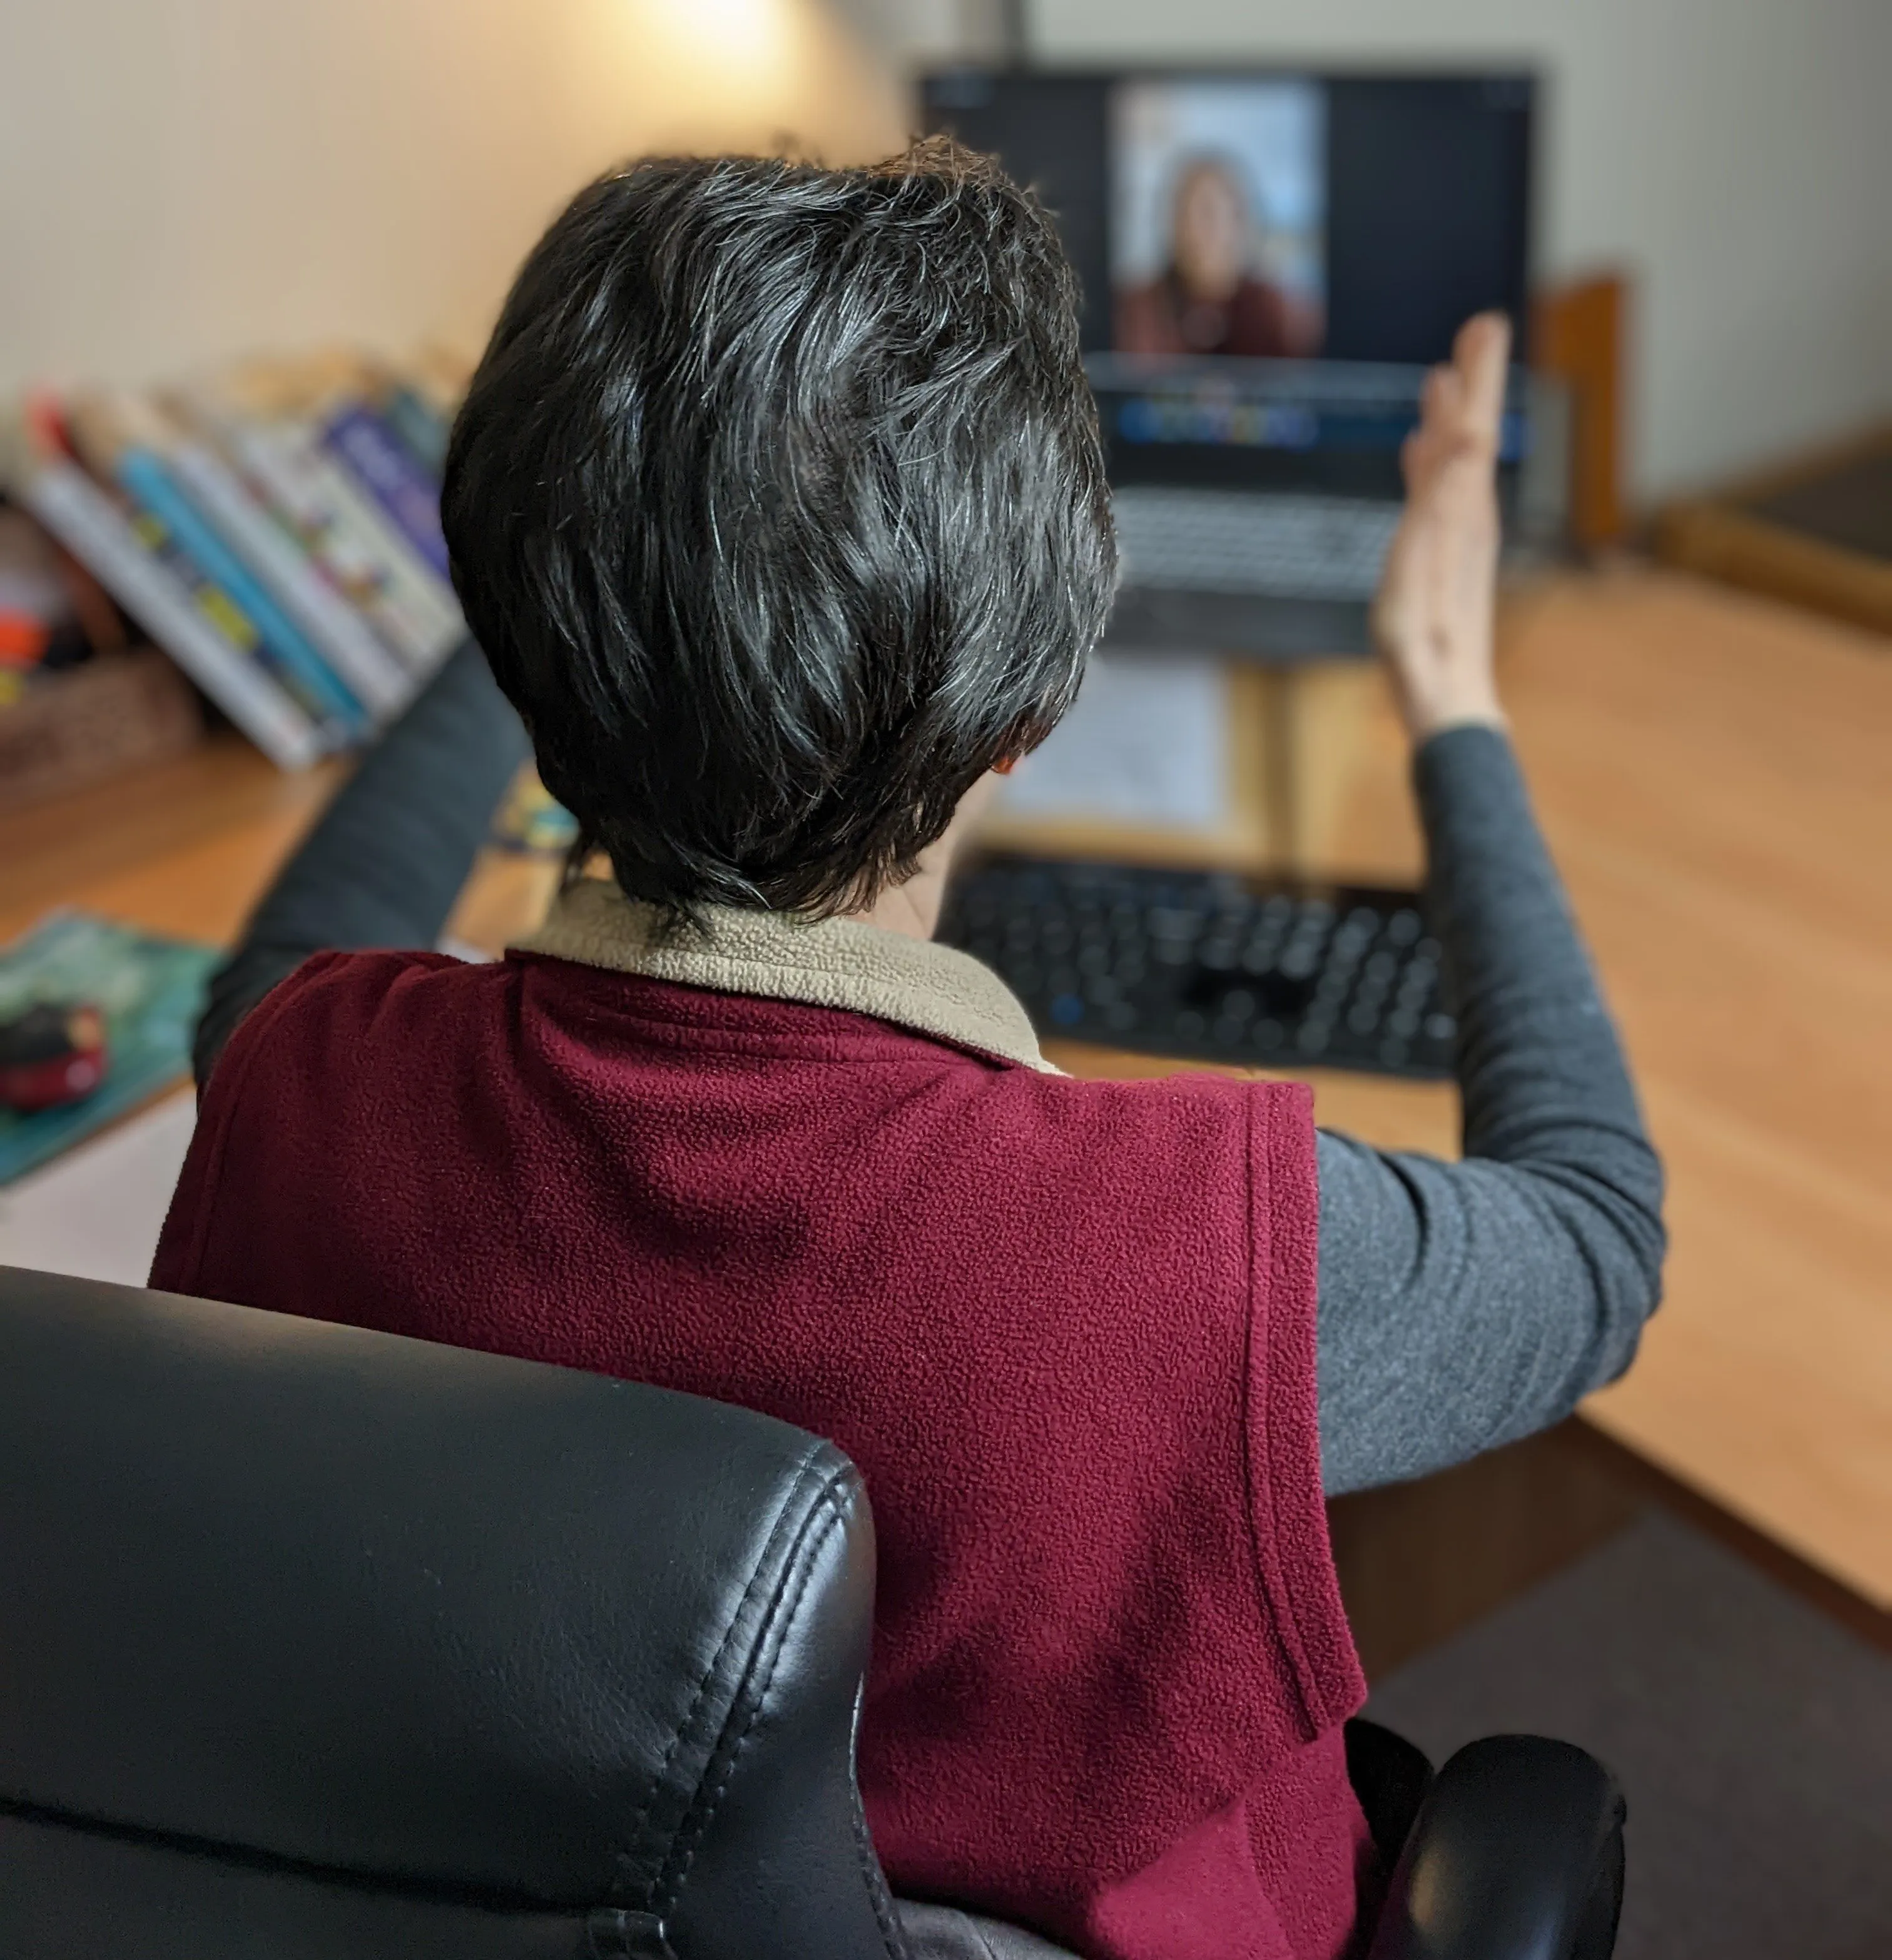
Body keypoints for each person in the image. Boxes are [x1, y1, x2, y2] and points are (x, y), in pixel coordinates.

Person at [151, 140, 1664, 1960]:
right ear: (1029, 715)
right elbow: (1594, 1235)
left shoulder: (306, 1090)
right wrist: (1452, 693)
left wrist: (594, 577)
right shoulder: (1186, 1251)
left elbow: (283, 962)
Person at [1115, 153, 1312, 358]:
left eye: (1208, 213)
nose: (1193, 229)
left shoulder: (1278, 315)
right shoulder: (1138, 311)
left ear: (1239, 221)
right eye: (1183, 213)